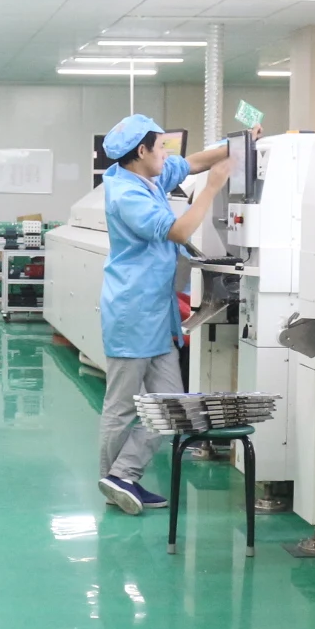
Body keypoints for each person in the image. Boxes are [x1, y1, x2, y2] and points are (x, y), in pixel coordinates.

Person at [96, 113, 246, 516]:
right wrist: (212, 188)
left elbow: (192, 162)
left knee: (173, 404)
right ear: (141, 151)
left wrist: (238, 146)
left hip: (157, 311)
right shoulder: (127, 194)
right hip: (132, 310)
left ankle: (123, 476)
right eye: (160, 146)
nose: (166, 153)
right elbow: (179, 231)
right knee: (122, 406)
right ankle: (112, 481)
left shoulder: (148, 177)